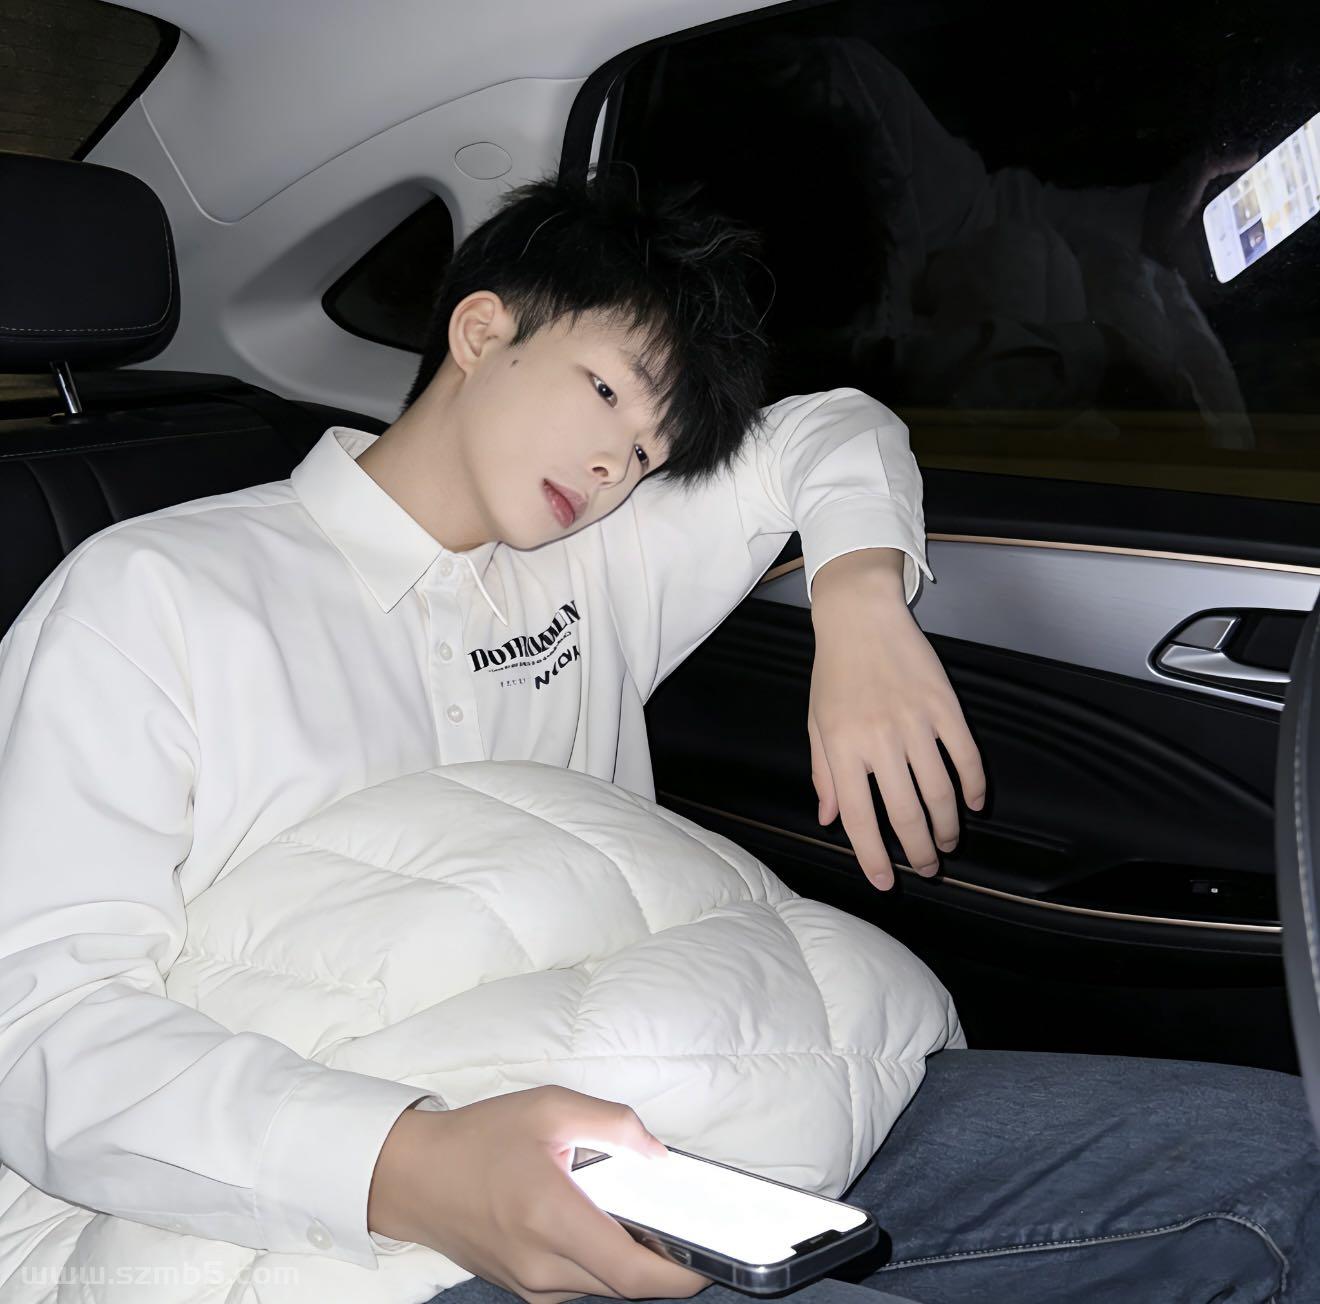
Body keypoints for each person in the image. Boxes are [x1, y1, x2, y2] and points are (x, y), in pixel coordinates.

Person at [0, 173, 1313, 1304]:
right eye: (605, 392)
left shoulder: (589, 567)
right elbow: (40, 1029)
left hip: (685, 1116)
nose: (616, 468)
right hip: (338, 1209)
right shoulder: (158, 596)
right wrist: (408, 1164)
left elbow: (829, 427)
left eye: (647, 452)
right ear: (480, 331)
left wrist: (860, 604)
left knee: (1285, 1164)